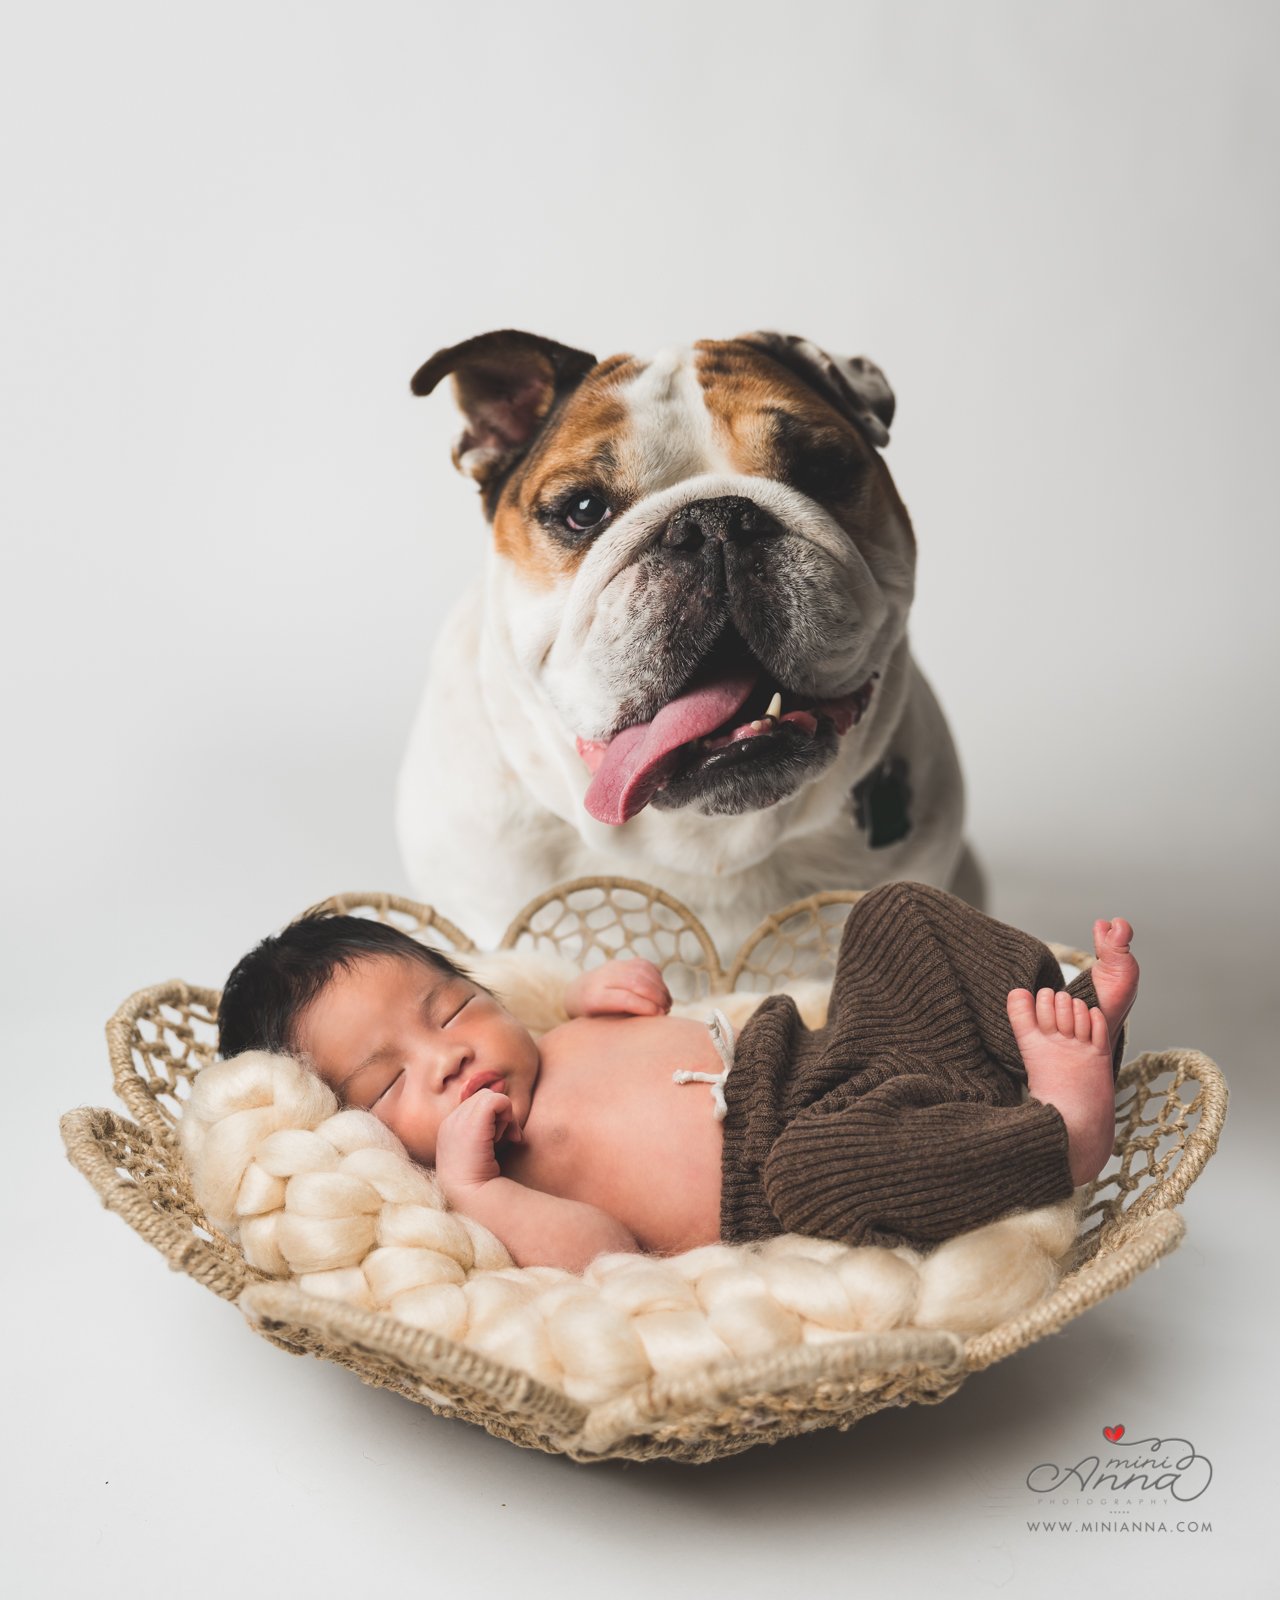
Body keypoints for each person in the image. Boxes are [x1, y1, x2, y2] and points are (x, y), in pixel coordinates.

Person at [216, 883, 1137, 1274]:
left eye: (451, 1008)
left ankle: (1052, 1021)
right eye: (387, 1086)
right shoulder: (480, 1183)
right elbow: (604, 1258)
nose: (447, 1054)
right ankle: (1057, 1131)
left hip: (826, 1055)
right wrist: (476, 1186)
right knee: (824, 1165)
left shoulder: (543, 1030)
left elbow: (534, 1004)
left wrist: (590, 994)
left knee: (891, 918)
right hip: (789, 1171)